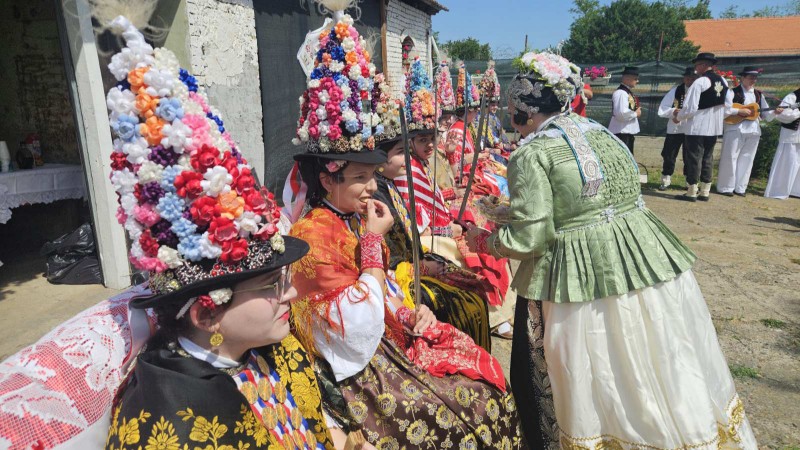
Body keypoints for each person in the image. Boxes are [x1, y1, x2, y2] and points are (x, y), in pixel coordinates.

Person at [466, 51, 757, 449]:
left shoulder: (532, 153)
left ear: (522, 108)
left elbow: (531, 238)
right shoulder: (599, 132)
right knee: (658, 360)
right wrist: (512, 213)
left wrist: (483, 240)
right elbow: (594, 199)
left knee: (592, 370)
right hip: (642, 257)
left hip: (580, 273)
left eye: (512, 108)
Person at [287, 6, 525, 448]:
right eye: (359, 178)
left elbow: (379, 290)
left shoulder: (349, 216)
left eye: (370, 177)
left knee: (475, 363)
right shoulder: (311, 238)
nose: (370, 188)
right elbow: (353, 331)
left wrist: (407, 310)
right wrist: (375, 248)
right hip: (358, 368)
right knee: (471, 406)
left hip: (386, 333)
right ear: (326, 178)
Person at [101, 16, 338, 449]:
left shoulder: (265, 343)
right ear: (206, 314)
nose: (291, 294)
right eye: (271, 284)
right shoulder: (167, 427)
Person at [676, 52, 729, 202]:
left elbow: (690, 108)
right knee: (707, 157)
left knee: (694, 158)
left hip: (697, 126)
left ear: (704, 65)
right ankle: (705, 190)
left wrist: (678, 117)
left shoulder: (700, 82)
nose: (696, 68)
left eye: (697, 65)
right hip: (714, 127)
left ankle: (692, 191)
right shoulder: (723, 81)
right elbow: (727, 105)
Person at [718, 67, 770, 197]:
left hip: (753, 130)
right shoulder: (732, 92)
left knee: (748, 159)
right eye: (750, 77)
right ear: (742, 78)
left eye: (755, 78)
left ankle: (740, 187)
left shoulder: (758, 94)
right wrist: (738, 111)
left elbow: (766, 113)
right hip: (735, 128)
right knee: (730, 157)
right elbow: (724, 110)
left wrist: (776, 112)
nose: (753, 80)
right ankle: (726, 187)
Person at [657, 66, 697, 190]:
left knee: (689, 156)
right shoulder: (675, 91)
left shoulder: (699, 92)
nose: (690, 81)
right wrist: (674, 111)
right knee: (669, 154)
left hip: (691, 129)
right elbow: (662, 109)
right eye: (688, 78)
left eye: (693, 79)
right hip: (675, 128)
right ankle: (665, 180)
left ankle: (689, 182)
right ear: (684, 78)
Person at [764, 88, 800, 199]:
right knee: (788, 162)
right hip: (791, 135)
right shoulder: (792, 96)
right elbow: (783, 115)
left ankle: (796, 191)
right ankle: (778, 191)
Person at [608, 66, 641, 154]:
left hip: (626, 133)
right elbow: (620, 114)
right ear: (627, 79)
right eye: (635, 79)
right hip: (621, 133)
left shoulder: (626, 92)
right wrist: (635, 114)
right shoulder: (621, 93)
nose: (637, 81)